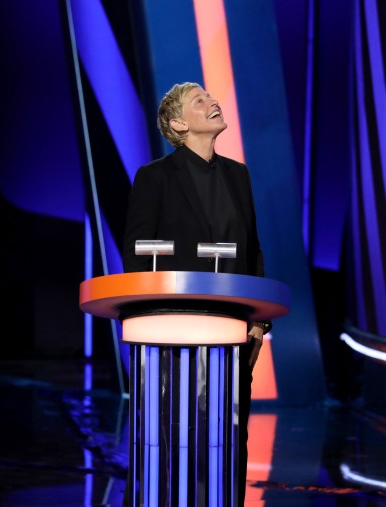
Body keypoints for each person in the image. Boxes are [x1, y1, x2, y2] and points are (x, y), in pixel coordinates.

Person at [122, 82, 271, 505]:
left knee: (229, 434)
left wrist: (258, 323)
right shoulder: (154, 178)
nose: (213, 101)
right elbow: (136, 255)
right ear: (177, 124)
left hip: (232, 335)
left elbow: (252, 251)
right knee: (176, 433)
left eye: (210, 96)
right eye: (198, 101)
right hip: (175, 334)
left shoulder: (238, 175)